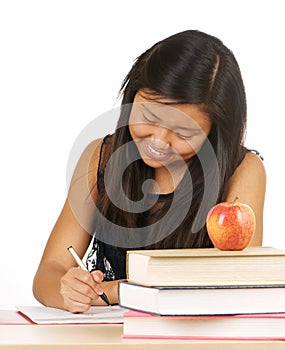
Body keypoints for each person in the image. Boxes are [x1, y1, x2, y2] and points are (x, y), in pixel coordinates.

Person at [33, 29, 266, 313]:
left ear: (214, 133)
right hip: (109, 338)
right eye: (148, 117)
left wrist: (116, 289)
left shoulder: (241, 170)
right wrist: (66, 290)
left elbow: (242, 280)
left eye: (183, 132)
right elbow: (49, 272)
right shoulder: (102, 157)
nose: (158, 141)